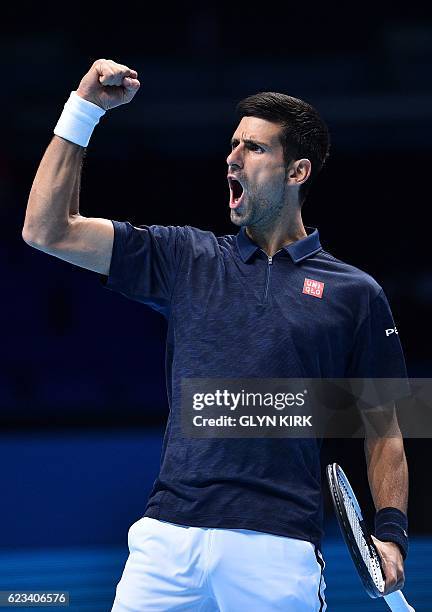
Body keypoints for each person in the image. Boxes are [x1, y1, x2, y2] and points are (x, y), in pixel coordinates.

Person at [23, 59, 409, 611]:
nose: (231, 158)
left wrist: (391, 531)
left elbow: (386, 427)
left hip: (276, 550)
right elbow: (44, 229)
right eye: (232, 145)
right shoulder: (186, 256)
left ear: (297, 172)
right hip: (166, 540)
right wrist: (82, 111)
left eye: (253, 148)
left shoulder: (357, 293)